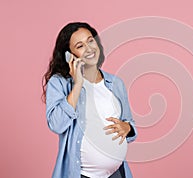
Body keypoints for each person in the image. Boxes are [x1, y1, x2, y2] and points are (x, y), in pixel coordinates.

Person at [42, 22, 137, 178]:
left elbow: (129, 123)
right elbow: (56, 124)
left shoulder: (115, 83)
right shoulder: (60, 83)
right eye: (80, 46)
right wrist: (78, 84)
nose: (89, 48)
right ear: (69, 55)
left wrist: (127, 128)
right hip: (82, 174)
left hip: (117, 173)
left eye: (90, 40)